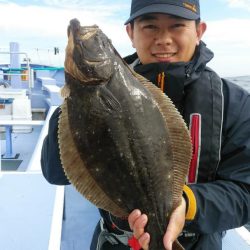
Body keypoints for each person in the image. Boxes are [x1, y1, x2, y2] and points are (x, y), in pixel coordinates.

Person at [41, 0, 250, 249]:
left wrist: (186, 204)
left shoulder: (234, 103)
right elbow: (55, 172)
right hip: (115, 241)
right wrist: (73, 99)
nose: (163, 39)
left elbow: (245, 193)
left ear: (199, 31)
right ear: (130, 33)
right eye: (150, 26)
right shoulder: (81, 95)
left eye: (177, 26)